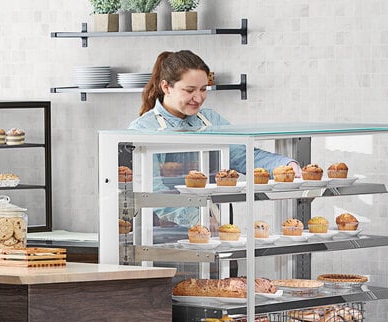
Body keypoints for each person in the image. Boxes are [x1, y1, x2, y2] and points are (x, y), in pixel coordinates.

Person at [128, 50, 301, 229]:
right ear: (166, 87)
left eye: (203, 89)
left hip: (215, 217)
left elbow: (241, 154)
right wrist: (196, 218)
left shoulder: (211, 120)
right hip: (163, 227)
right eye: (189, 90)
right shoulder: (143, 129)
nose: (198, 97)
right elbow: (152, 188)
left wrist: (283, 165)